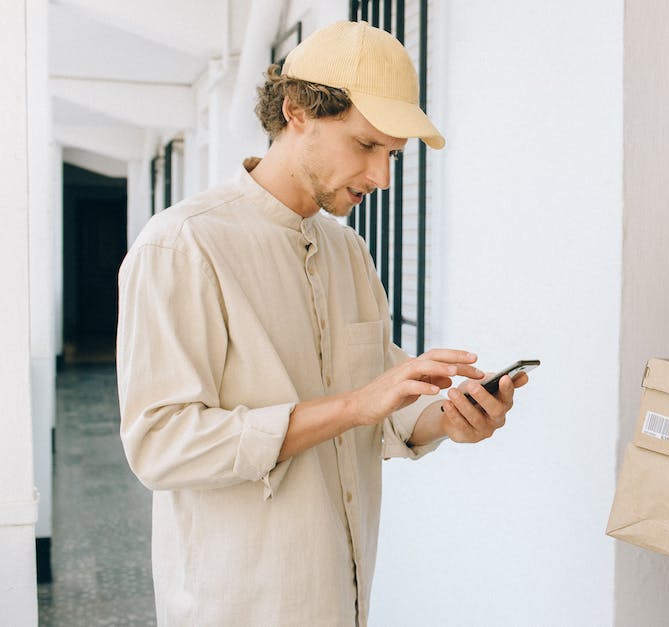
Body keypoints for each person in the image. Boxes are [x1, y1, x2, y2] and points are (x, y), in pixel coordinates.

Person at [116, 21, 528, 626]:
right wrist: (355, 405)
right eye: (366, 146)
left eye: (391, 155)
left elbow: (378, 406)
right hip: (237, 606)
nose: (382, 177)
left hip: (342, 596)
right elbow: (160, 445)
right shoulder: (183, 246)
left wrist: (448, 417)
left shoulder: (348, 253)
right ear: (297, 112)